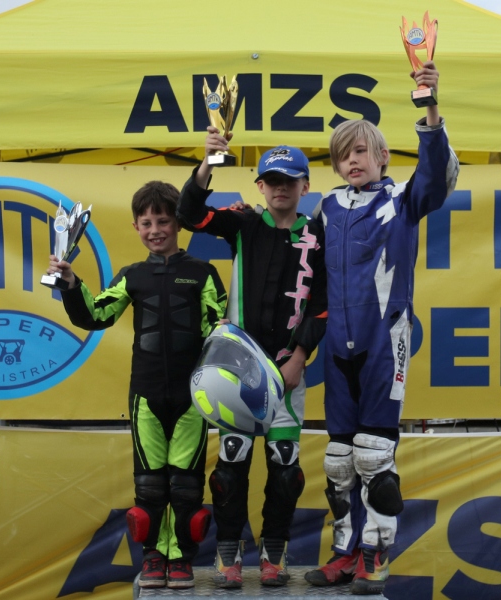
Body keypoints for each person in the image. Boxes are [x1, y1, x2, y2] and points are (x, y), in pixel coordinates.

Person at [304, 61, 459, 595]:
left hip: (383, 338)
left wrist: (430, 108)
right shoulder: (325, 207)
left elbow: (437, 177)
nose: (352, 161)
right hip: (336, 344)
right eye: (342, 155)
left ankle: (376, 555)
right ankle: (344, 552)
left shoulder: (402, 201)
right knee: (339, 460)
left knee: (374, 454)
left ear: (382, 156)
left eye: (360, 152)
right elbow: (298, 265)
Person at [47, 181, 227, 589]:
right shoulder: (132, 276)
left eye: (163, 221)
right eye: (146, 223)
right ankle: (153, 558)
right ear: (135, 227)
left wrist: (225, 331)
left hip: (192, 396)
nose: (155, 230)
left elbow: (217, 329)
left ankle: (180, 559)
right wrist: (71, 283)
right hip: (146, 395)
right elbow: (96, 315)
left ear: (178, 223)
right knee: (149, 485)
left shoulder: (203, 273)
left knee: (186, 485)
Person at [177, 133, 327, 588]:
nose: (281, 187)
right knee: (229, 468)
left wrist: (300, 356)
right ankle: (228, 553)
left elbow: (322, 304)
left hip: (287, 373)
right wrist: (208, 163)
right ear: (260, 185)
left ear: (305, 186)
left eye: (290, 180)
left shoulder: (318, 236)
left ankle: (274, 552)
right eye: (272, 180)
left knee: (285, 471)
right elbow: (189, 214)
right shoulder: (242, 223)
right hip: (236, 372)